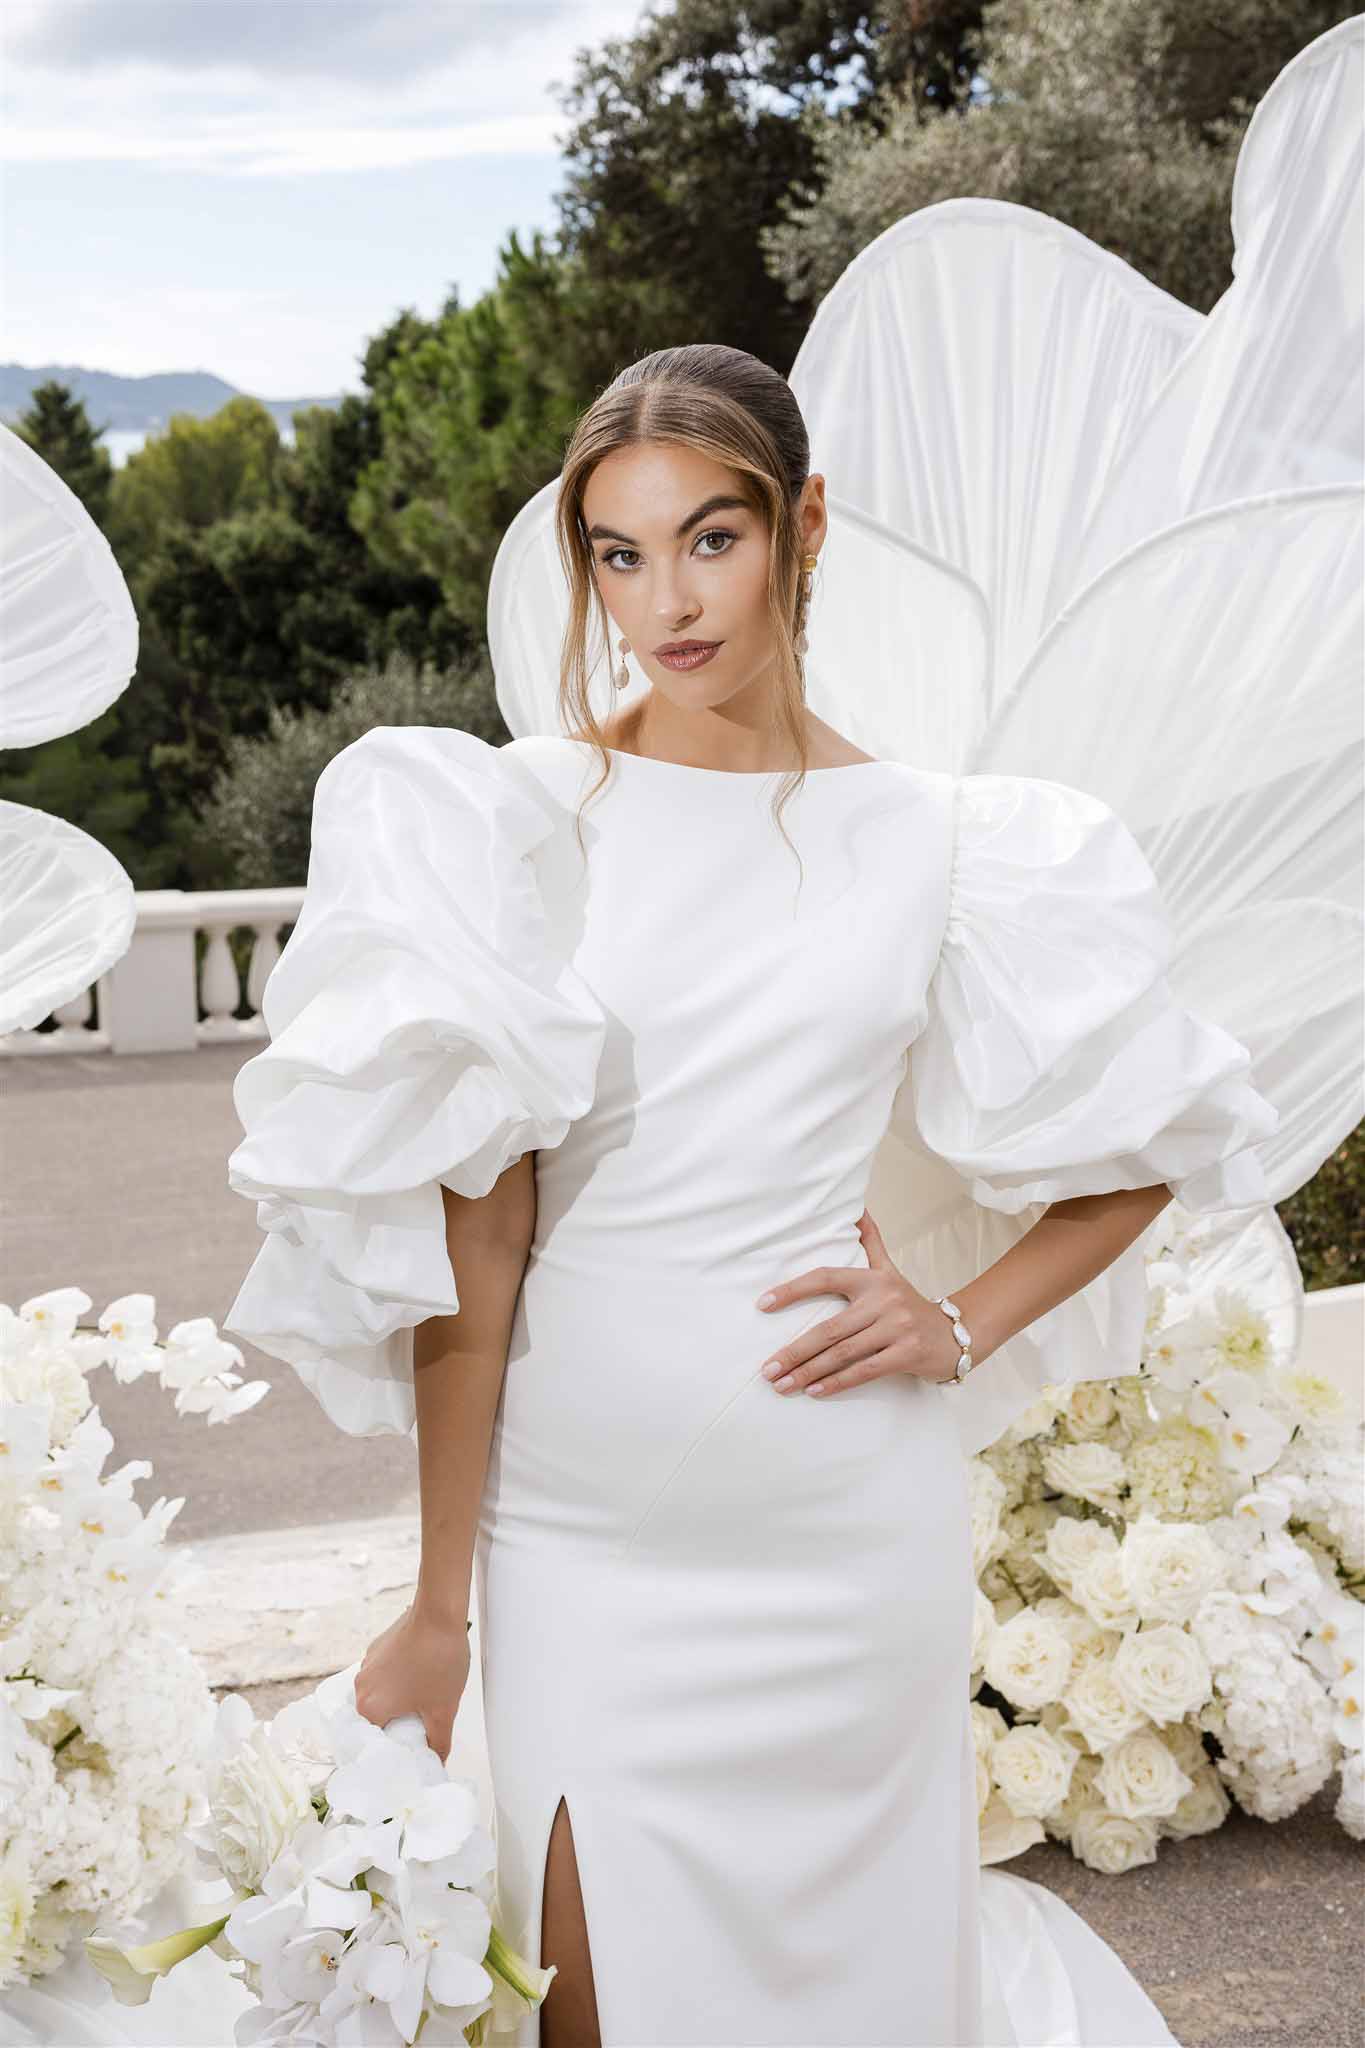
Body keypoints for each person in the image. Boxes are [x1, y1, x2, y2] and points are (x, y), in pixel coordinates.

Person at [224, 344, 1281, 2047]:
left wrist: (953, 1323)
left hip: (844, 1533)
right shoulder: (518, 824)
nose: (665, 602)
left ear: (803, 526)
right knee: (591, 1995)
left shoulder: (948, 841)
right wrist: (436, 1604)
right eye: (618, 555)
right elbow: (479, 1235)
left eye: (708, 540)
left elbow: (1147, 1142)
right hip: (579, 1528)